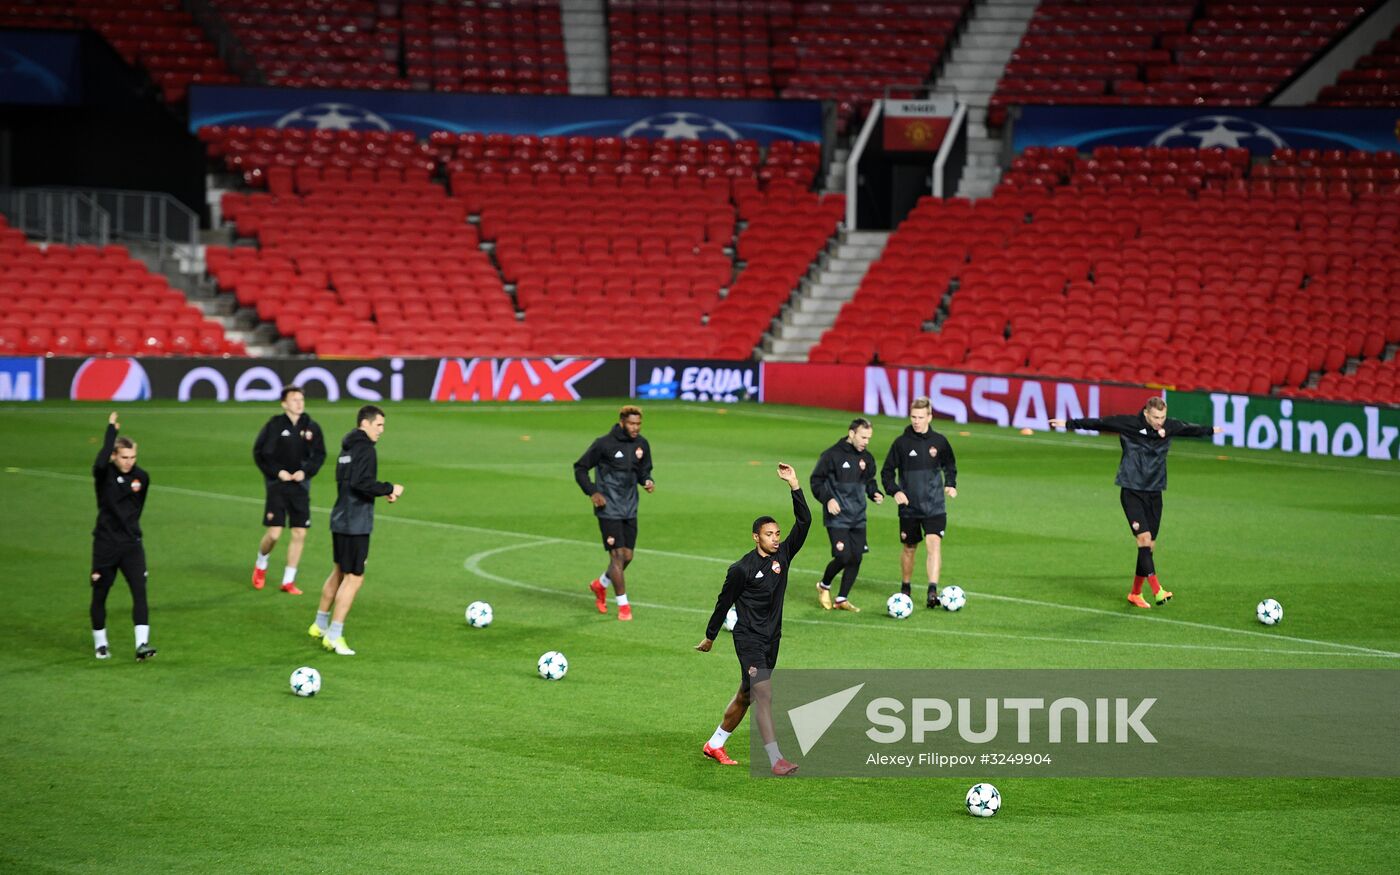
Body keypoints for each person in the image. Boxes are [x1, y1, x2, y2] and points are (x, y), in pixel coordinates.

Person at [1050, 396, 1221, 609]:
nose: (1160, 421)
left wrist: (1211, 430)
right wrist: (1069, 423)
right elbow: (1101, 423)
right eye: (1156, 417)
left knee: (1150, 547)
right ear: (1147, 413)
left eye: (1163, 417)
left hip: (1155, 492)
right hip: (1132, 490)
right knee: (1144, 539)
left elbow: (1189, 429)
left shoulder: (1169, 426)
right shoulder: (1130, 424)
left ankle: (1135, 593)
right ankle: (1158, 590)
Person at [696, 463, 810, 776]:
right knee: (763, 692)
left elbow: (805, 521)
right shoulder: (741, 569)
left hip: (772, 638)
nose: (775, 538)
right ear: (755, 537)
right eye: (769, 534)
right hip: (748, 638)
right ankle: (776, 759)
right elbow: (724, 603)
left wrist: (794, 485)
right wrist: (710, 636)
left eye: (777, 534)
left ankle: (715, 744)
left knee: (746, 694)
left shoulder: (783, 556)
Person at [309, 405, 403, 655]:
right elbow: (362, 483)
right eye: (379, 425)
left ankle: (319, 624)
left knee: (339, 571)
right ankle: (335, 635)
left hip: (340, 516)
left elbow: (348, 482)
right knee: (355, 578)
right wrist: (389, 488)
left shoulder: (346, 448)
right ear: (365, 423)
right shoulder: (366, 450)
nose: (382, 430)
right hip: (356, 522)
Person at [573, 405, 654, 621]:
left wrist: (647, 480)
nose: (635, 428)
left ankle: (601, 584)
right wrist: (592, 492)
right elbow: (580, 467)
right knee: (617, 555)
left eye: (638, 424)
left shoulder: (641, 444)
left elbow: (643, 470)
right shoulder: (604, 444)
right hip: (608, 508)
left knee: (627, 556)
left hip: (630, 507)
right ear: (621, 422)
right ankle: (623, 606)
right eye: (631, 424)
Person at [89, 411, 155, 661]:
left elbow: (138, 508)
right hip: (105, 544)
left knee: (140, 592)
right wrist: (110, 433)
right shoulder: (103, 474)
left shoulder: (142, 478)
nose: (129, 461)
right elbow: (99, 462)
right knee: (100, 593)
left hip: (132, 545)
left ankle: (142, 645)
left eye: (133, 457)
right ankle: (101, 643)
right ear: (114, 456)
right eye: (124, 457)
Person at [880, 397, 958, 609]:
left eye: (920, 417)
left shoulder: (939, 442)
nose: (916, 421)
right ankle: (906, 586)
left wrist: (951, 484)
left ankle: (932, 590)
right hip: (909, 508)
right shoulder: (901, 443)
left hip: (934, 506)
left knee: (934, 544)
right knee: (909, 547)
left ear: (929, 417)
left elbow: (950, 465)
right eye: (913, 417)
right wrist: (894, 491)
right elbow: (887, 473)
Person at [251, 386, 326, 595]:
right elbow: (260, 454)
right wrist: (278, 472)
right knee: (274, 534)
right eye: (294, 400)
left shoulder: (312, 427)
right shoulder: (274, 426)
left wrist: (305, 472)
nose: (299, 403)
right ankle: (261, 562)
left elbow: (319, 456)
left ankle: (288, 580)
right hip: (278, 485)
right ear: (284, 403)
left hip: (300, 486)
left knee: (299, 532)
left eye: (301, 399)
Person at [810, 418, 883, 612]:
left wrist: (874, 492)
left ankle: (841, 599)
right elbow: (816, 481)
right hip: (838, 516)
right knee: (843, 556)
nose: (866, 441)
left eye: (869, 438)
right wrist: (828, 499)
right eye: (863, 437)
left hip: (858, 515)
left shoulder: (867, 458)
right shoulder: (831, 455)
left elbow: (869, 481)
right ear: (851, 434)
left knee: (856, 557)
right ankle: (824, 585)